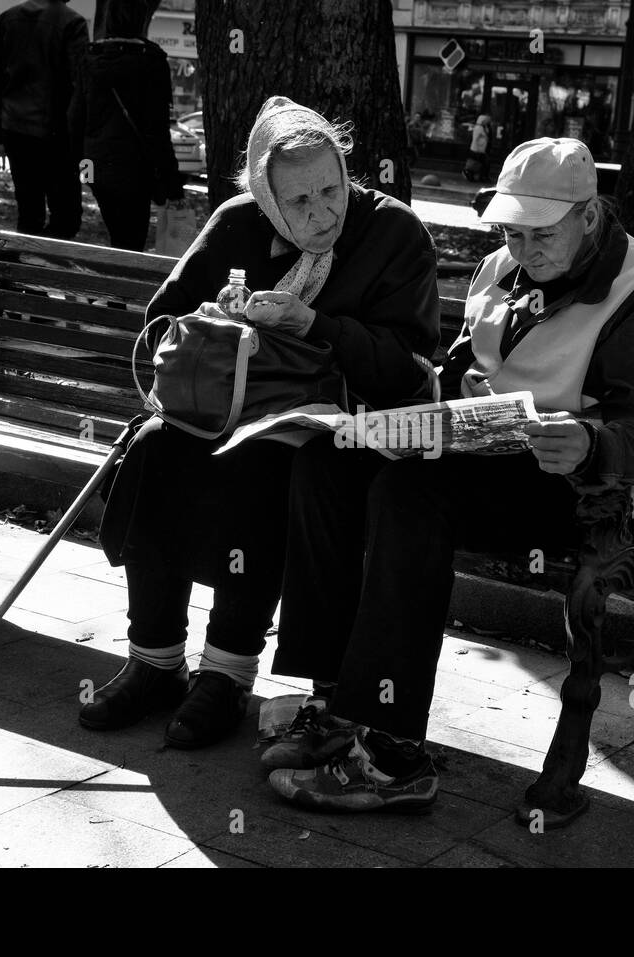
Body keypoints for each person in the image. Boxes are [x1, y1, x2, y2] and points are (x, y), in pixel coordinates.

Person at [263, 138, 634, 813]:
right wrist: (423, 408)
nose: (521, 248)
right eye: (509, 230)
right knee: (327, 460)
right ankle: (337, 703)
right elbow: (466, 367)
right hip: (483, 457)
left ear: (589, 216)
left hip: (583, 491)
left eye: (539, 233)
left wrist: (590, 441)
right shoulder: (500, 267)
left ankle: (391, 755)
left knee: (412, 493)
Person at [82, 96, 441, 750]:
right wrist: (224, 322)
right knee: (157, 445)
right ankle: (155, 658)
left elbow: (409, 368)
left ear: (346, 172)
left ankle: (226, 671)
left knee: (264, 458)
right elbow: (164, 321)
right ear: (265, 197)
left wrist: (314, 326)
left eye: (331, 190)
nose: (321, 212)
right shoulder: (237, 225)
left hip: (342, 430)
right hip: (222, 406)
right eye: (297, 202)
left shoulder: (393, 234)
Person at [68, 0, 181, 250]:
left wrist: (77, 166)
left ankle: (113, 278)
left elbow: (76, 118)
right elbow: (157, 129)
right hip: (136, 167)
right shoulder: (152, 61)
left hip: (97, 164)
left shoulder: (90, 58)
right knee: (132, 239)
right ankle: (120, 281)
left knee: (117, 229)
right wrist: (172, 183)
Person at [0, 0, 88, 239]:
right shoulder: (72, 23)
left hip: (15, 128)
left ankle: (23, 265)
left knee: (29, 211)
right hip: (57, 134)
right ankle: (42, 265)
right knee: (66, 216)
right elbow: (80, 83)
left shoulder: (8, 19)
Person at [465, 114, 491, 182]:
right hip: (477, 150)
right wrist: (477, 147)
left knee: (479, 163)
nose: (488, 122)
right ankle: (470, 174)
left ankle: (479, 176)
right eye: (486, 120)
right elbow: (475, 139)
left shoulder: (483, 128)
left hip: (481, 149)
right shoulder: (478, 128)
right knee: (478, 163)